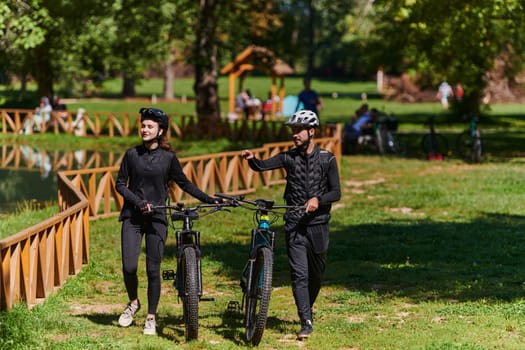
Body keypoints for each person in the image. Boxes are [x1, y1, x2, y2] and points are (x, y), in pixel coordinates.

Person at [115, 107, 219, 336]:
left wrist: (209, 199)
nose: (144, 129)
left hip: (158, 219)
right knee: (129, 266)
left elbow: (184, 183)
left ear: (160, 130)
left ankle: (151, 316)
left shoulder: (168, 158)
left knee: (153, 270)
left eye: (150, 126)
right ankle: (133, 303)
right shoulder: (131, 154)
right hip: (133, 217)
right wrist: (139, 201)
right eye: (143, 125)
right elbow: (120, 184)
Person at [241, 110, 341, 340]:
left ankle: (307, 308)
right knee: (299, 275)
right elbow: (262, 166)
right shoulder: (288, 157)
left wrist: (318, 200)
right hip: (294, 223)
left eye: (298, 130)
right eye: (292, 130)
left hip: (319, 224)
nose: (294, 134)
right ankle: (305, 321)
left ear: (311, 131)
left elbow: (336, 192)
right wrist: (251, 159)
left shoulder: (327, 159)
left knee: (316, 275)